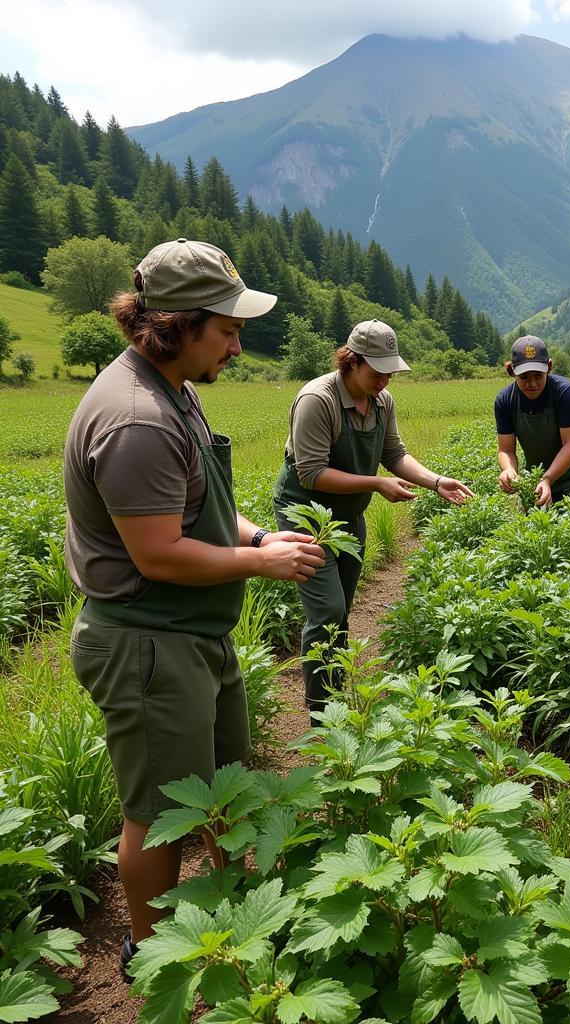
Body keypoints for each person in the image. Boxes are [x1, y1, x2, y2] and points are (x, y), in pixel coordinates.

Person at [63, 239, 325, 974]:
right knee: (159, 814)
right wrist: (260, 562)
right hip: (147, 644)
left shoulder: (175, 389)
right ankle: (154, 955)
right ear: (175, 324)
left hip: (192, 635)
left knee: (223, 787)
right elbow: (158, 553)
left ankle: (229, 920)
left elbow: (201, 509)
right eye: (228, 328)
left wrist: (261, 534)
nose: (238, 344)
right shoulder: (136, 418)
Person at [274, 319, 474, 715]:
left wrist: (436, 482)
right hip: (306, 514)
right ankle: (320, 713)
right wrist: (376, 484)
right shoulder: (319, 399)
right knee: (327, 610)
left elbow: (394, 454)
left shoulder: (382, 402)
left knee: (342, 610)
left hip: (349, 513)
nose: (384, 379)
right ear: (351, 361)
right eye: (376, 371)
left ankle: (335, 696)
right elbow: (311, 473)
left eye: (390, 372)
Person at [494, 335, 570, 506]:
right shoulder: (505, 400)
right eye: (524, 377)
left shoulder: (565, 392)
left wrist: (548, 479)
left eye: (538, 375)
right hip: (537, 472)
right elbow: (506, 449)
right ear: (512, 371)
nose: (532, 383)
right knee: (536, 527)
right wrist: (509, 470)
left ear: (549, 367)